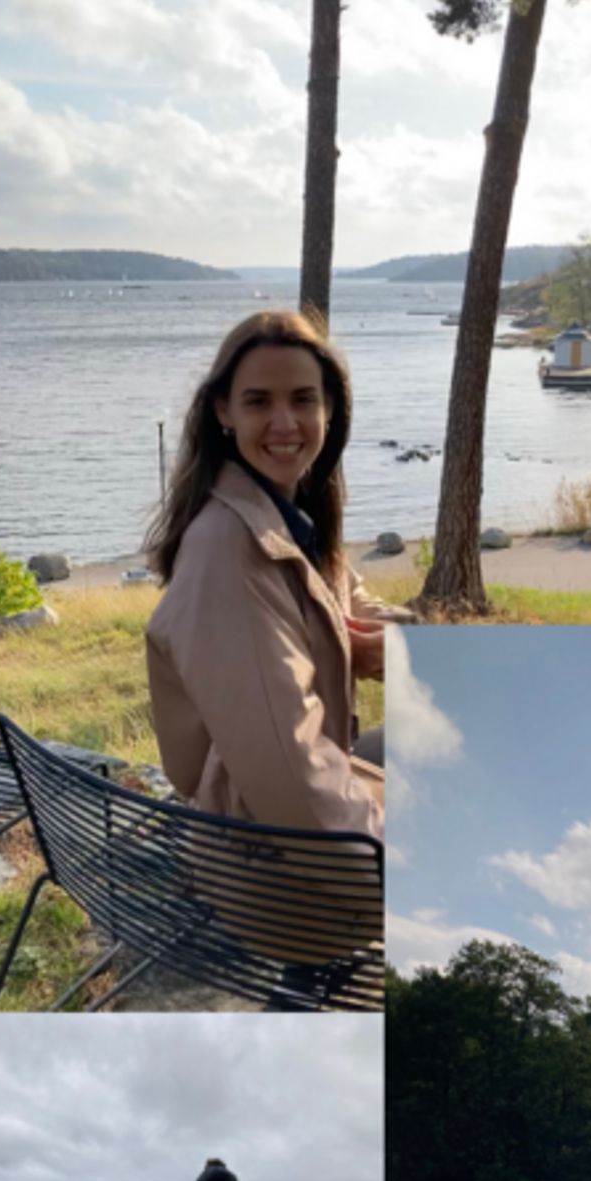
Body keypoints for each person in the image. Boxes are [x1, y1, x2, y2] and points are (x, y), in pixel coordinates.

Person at [144, 309, 392, 841]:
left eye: (303, 399)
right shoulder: (228, 551)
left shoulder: (286, 516)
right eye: (259, 401)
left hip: (286, 817)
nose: (285, 423)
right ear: (223, 411)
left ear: (330, 408)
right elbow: (294, 786)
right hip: (268, 865)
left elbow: (352, 604)